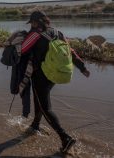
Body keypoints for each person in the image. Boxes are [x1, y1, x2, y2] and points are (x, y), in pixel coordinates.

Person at [21, 11, 90, 153]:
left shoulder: (35, 34)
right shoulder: (58, 33)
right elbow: (70, 51)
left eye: (32, 22)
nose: (31, 25)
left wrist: (20, 37)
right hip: (54, 75)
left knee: (46, 107)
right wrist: (82, 67)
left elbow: (22, 49)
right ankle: (35, 125)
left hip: (41, 75)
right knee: (40, 99)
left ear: (36, 22)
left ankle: (65, 138)